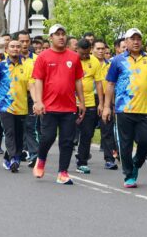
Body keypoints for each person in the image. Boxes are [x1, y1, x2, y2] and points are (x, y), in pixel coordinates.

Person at [102, 28, 147, 188]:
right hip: (124, 109)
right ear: (126, 42)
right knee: (125, 145)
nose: (136, 42)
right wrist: (107, 106)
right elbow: (110, 84)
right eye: (132, 39)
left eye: (138, 39)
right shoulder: (117, 60)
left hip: (145, 109)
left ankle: (136, 163)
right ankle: (129, 175)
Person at [32, 24, 85, 185]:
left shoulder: (74, 57)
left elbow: (78, 81)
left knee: (67, 141)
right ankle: (41, 160)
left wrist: (81, 102)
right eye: (57, 34)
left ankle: (63, 172)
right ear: (51, 38)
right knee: (48, 137)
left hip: (68, 107)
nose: (61, 37)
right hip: (49, 106)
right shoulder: (43, 57)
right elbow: (38, 80)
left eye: (63, 34)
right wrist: (39, 101)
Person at [0, 39, 34, 172]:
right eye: (12, 46)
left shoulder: (27, 66)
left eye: (18, 47)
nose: (15, 49)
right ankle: (14, 158)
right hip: (4, 106)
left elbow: (30, 85)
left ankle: (8, 158)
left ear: (21, 49)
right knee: (10, 132)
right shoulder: (0, 67)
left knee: (20, 134)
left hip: (22, 106)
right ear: (6, 49)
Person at [75, 38, 103, 174]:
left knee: (87, 134)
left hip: (90, 103)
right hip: (71, 103)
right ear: (77, 50)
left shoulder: (95, 61)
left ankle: (82, 161)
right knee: (68, 135)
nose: (85, 56)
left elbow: (99, 83)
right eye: (82, 54)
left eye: (87, 54)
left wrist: (102, 104)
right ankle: (65, 158)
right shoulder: (71, 60)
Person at [93, 39, 117, 170]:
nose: (101, 51)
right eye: (98, 48)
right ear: (92, 49)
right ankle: (82, 158)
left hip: (106, 100)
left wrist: (111, 105)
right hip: (90, 99)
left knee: (107, 130)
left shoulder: (111, 64)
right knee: (86, 132)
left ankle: (109, 159)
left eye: (103, 49)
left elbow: (112, 85)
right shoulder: (87, 63)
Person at [18, 31, 39, 166]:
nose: (24, 44)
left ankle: (34, 154)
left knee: (30, 126)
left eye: (27, 41)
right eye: (22, 41)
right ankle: (18, 152)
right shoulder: (11, 57)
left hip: (32, 96)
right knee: (18, 127)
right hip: (16, 96)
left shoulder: (37, 58)